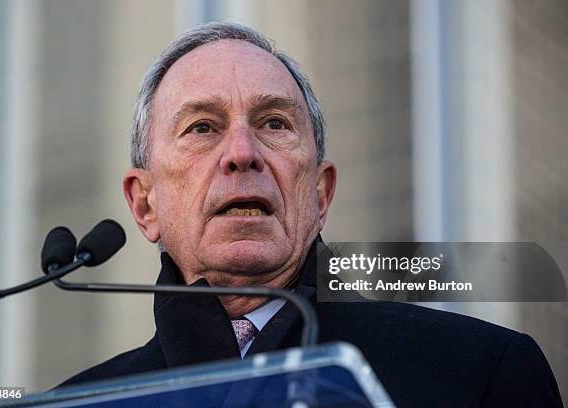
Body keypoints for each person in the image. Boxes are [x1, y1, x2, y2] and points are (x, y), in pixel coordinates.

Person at [61, 22, 562, 407]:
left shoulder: (478, 372)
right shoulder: (83, 401)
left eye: (274, 123)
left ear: (321, 196)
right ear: (144, 204)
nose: (242, 151)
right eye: (202, 128)